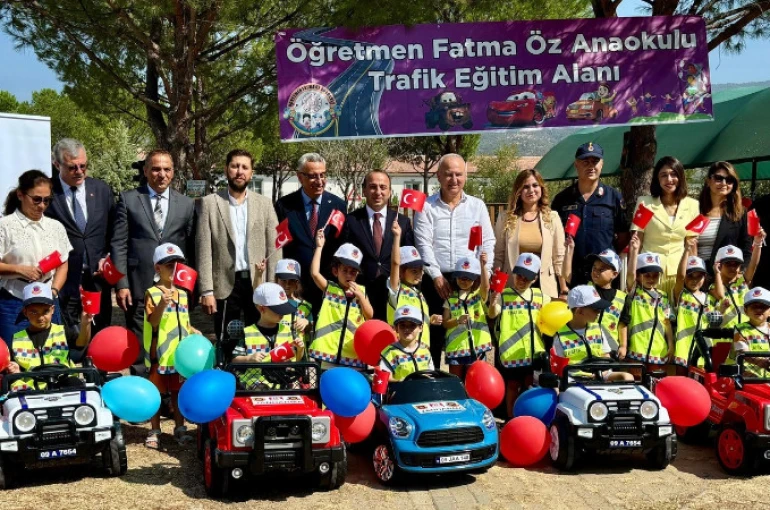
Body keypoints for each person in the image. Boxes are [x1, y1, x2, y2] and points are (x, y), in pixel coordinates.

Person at [111, 150, 196, 367]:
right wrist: (121, 284)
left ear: (173, 172)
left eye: (167, 169)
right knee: (140, 344)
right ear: (146, 171)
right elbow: (119, 243)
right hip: (139, 284)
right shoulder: (129, 200)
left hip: (174, 287)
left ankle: (169, 391)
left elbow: (190, 247)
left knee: (174, 340)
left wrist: (188, 286)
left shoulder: (186, 204)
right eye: (156, 169)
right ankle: (143, 391)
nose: (162, 174)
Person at [197, 149, 279, 359]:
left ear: (251, 173)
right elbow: (204, 248)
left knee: (259, 335)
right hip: (225, 283)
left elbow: (274, 247)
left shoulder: (264, 204)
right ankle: (226, 376)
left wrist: (272, 287)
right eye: (235, 166)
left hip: (257, 282)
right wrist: (206, 290)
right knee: (226, 336)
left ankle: (258, 379)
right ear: (226, 170)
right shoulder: (209, 203)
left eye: (244, 167)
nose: (239, 171)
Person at [414, 153, 495, 364]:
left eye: (459, 174)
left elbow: (487, 242)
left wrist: (483, 275)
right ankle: (432, 384)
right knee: (435, 336)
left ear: (465, 176)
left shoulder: (477, 206)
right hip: (437, 281)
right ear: (438, 176)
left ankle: (470, 389)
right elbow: (423, 243)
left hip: (470, 281)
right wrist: (436, 276)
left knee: (468, 339)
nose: (454, 180)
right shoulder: (426, 206)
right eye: (448, 174)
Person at [0, 170, 71, 346]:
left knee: (53, 355)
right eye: (37, 199)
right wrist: (19, 269)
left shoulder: (55, 227)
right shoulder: (5, 226)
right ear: (20, 195)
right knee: (14, 356)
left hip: (47, 301)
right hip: (14, 301)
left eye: (47, 200)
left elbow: (63, 264)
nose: (42, 205)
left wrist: (53, 292)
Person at [143, 243, 200, 450]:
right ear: (158, 268)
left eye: (177, 264)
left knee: (178, 392)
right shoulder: (152, 293)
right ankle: (155, 429)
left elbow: (182, 320)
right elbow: (154, 321)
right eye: (169, 265)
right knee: (156, 392)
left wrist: (192, 329)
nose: (174, 269)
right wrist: (162, 304)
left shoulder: (183, 294)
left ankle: (180, 427)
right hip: (159, 352)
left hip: (179, 354)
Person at [275, 153, 347, 316]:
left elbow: (341, 244)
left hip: (326, 284)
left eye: (323, 175)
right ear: (300, 177)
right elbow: (279, 245)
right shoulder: (284, 206)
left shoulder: (338, 205)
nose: (320, 181)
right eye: (313, 176)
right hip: (295, 286)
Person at [551, 142, 629, 286]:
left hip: (604, 275)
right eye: (585, 161)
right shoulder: (562, 199)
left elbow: (623, 236)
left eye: (595, 161)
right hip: (571, 275)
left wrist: (606, 256)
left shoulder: (613, 198)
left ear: (602, 164)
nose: (591, 166)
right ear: (576, 165)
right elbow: (555, 236)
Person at [343, 169, 414, 321]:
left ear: (389, 191)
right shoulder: (351, 221)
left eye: (383, 187)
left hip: (393, 294)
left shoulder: (402, 222)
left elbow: (409, 261)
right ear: (364, 190)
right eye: (373, 187)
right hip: (361, 293)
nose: (378, 192)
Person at [627, 157, 700, 301]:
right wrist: (632, 277)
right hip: (649, 273)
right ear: (657, 179)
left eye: (673, 174)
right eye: (664, 175)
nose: (669, 179)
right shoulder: (644, 203)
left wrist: (693, 274)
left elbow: (692, 245)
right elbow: (636, 242)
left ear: (680, 177)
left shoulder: (692, 205)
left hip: (679, 274)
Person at [4, 282, 93, 391]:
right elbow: (13, 367)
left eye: (45, 311)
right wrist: (14, 369)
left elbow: (81, 344)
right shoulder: (16, 339)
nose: (40, 317)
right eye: (34, 312)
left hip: (63, 381)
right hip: (32, 389)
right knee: (15, 390)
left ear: (52, 310)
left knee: (76, 385)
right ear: (25, 312)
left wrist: (85, 324)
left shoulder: (61, 331)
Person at [493, 168, 566, 299]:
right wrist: (496, 289)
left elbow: (558, 257)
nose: (531, 190)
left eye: (535, 185)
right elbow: (498, 256)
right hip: (513, 287)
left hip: (543, 287)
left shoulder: (552, 218)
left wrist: (564, 289)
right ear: (518, 191)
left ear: (541, 188)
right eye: (526, 187)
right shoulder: (505, 218)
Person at [491, 253, 548, 417]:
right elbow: (493, 314)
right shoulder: (504, 294)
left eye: (526, 278)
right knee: (512, 387)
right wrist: (494, 301)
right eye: (519, 275)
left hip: (534, 353)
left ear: (535, 279)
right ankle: (511, 418)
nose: (521, 280)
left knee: (531, 387)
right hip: (511, 354)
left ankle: (530, 418)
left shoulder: (541, 297)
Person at [308, 233, 373, 369]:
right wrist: (319, 247)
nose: (349, 275)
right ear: (335, 271)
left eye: (353, 272)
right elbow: (315, 273)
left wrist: (361, 297)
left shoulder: (362, 291)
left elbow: (370, 315)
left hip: (352, 355)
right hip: (328, 353)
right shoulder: (330, 288)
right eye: (345, 270)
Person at [553, 285, 633, 382]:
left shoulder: (597, 328)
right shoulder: (560, 336)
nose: (599, 312)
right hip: (574, 379)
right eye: (595, 309)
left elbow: (606, 356)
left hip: (601, 374)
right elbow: (559, 369)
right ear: (580, 311)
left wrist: (601, 373)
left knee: (627, 377)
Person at [387, 221, 441, 346]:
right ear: (401, 271)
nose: (419, 274)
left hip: (421, 349)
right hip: (402, 350)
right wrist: (396, 237)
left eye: (421, 270)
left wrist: (430, 319)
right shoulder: (397, 290)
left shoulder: (418, 293)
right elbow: (395, 264)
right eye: (414, 271)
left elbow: (421, 320)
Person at [564, 247, 627, 350]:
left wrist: (623, 346)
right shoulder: (585, 288)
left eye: (601, 269)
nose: (595, 271)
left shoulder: (622, 298)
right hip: (586, 345)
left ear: (614, 274)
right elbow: (567, 276)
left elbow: (622, 324)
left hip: (610, 349)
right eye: (594, 267)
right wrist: (569, 250)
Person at [619, 252, 674, 369]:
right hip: (636, 353)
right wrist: (634, 249)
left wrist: (671, 345)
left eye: (655, 275)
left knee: (656, 386)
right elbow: (630, 275)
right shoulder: (634, 293)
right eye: (647, 275)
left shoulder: (663, 296)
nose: (651, 279)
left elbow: (667, 322)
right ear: (638, 276)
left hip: (659, 353)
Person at [442, 255, 493, 380]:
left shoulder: (478, 296)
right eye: (461, 277)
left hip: (477, 348)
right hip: (456, 348)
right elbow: (445, 322)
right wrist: (457, 321)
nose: (464, 281)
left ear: (475, 279)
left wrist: (483, 265)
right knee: (456, 382)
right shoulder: (450, 298)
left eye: (468, 278)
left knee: (475, 380)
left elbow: (486, 287)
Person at [696, 162, 752, 273]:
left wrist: (740, 273)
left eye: (729, 180)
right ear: (708, 181)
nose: (724, 183)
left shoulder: (740, 213)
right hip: (696, 275)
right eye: (718, 178)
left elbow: (746, 249)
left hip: (726, 276)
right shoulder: (695, 209)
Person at [232, 282, 305, 364]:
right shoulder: (248, 333)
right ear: (262, 309)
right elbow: (234, 360)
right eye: (278, 310)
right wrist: (249, 359)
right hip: (255, 376)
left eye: (284, 309)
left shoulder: (286, 330)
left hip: (281, 376)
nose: (282, 313)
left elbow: (296, 360)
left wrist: (300, 349)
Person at [672, 247, 714, 374]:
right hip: (683, 349)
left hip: (703, 349)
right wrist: (686, 251)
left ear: (705, 277)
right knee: (681, 386)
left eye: (699, 276)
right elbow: (679, 277)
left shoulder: (709, 298)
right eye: (690, 276)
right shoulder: (681, 295)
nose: (694, 280)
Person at [710, 239, 764, 332]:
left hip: (745, 334)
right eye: (728, 264)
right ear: (719, 266)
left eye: (736, 264)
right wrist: (717, 273)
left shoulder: (742, 282)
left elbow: (753, 264)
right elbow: (720, 295)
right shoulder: (712, 287)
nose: (732, 268)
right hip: (724, 337)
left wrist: (758, 243)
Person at [379, 304, 434, 382]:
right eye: (402, 325)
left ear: (420, 328)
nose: (407, 329)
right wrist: (401, 381)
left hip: (424, 391)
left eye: (412, 325)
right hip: (401, 392)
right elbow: (384, 379)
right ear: (396, 328)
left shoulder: (425, 351)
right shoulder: (389, 353)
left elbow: (432, 374)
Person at [730, 287, 770, 377]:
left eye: (763, 307)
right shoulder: (740, 329)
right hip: (748, 378)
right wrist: (761, 362)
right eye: (754, 306)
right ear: (745, 311)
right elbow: (742, 352)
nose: (759, 309)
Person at [274, 258, 313, 346]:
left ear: (297, 283)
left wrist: (307, 323)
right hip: (276, 350)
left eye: (291, 281)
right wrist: (259, 274)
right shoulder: (271, 302)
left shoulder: (306, 306)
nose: (287, 285)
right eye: (283, 280)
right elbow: (257, 299)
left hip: (298, 352)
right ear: (276, 280)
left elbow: (311, 328)